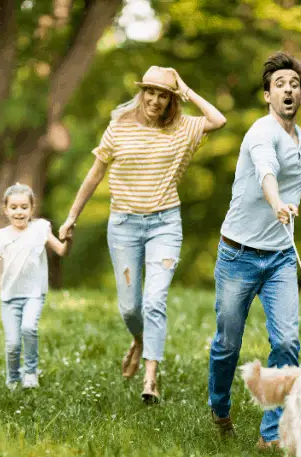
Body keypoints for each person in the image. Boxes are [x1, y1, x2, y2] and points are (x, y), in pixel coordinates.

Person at [59, 66, 226, 403]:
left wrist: (186, 88)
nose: (154, 99)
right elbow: (94, 175)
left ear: (170, 99)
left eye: (163, 94)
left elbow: (218, 120)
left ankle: (150, 378)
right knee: (129, 308)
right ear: (141, 93)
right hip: (124, 227)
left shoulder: (183, 129)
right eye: (150, 91)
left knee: (154, 301)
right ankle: (139, 338)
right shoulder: (118, 127)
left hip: (165, 225)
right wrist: (71, 217)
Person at [207, 52, 301, 449]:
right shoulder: (259, 133)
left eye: (295, 84)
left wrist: (290, 207)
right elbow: (267, 171)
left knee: (286, 342)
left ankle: (272, 434)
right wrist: (276, 202)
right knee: (227, 343)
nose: (288, 89)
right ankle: (220, 407)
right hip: (239, 254)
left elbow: (293, 183)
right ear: (267, 94)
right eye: (280, 84)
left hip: (281, 255)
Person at [0, 183, 73, 389]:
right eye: (14, 207)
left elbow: (61, 251)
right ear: (5, 209)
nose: (19, 212)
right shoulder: (1, 236)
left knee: (29, 328)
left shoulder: (40, 229)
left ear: (32, 209)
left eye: (24, 207)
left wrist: (69, 239)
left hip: (34, 293)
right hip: (9, 296)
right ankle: (13, 378)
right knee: (13, 344)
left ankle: (31, 372)